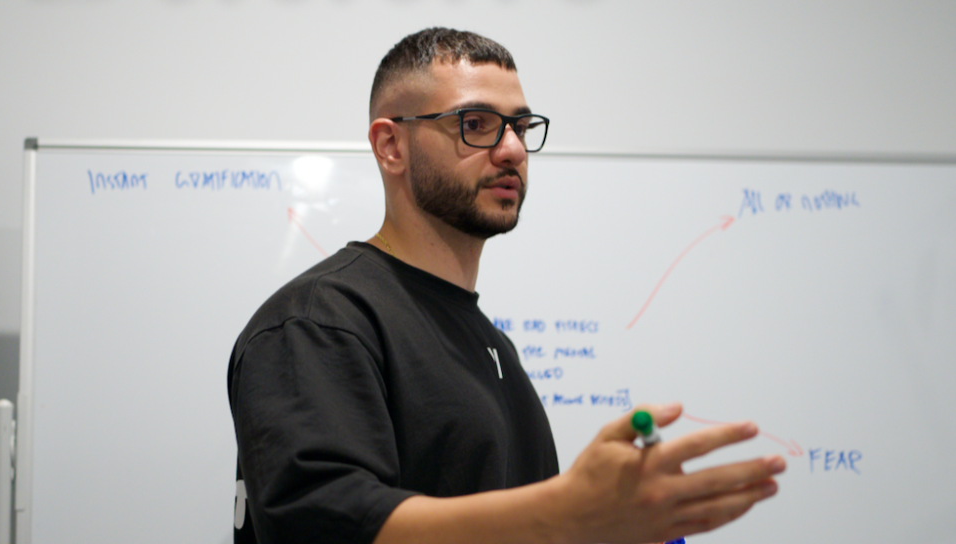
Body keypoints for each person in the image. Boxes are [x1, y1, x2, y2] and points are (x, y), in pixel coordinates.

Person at [228, 27, 785, 544]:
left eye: (520, 126)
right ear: (391, 145)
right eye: (475, 124)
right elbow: (326, 525)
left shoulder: (495, 348)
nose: (513, 149)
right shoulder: (321, 321)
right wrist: (568, 511)